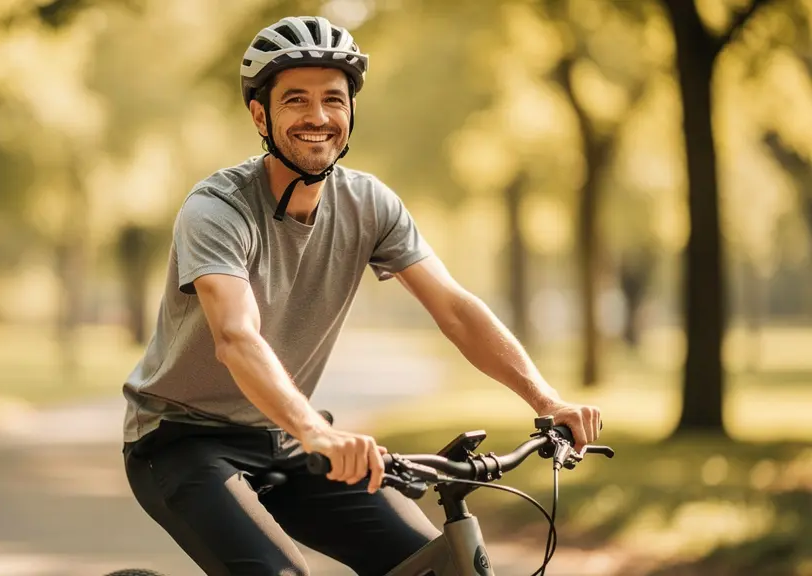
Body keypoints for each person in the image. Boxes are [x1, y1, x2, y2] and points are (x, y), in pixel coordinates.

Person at [121, 15, 603, 576]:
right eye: (296, 100)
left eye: (334, 99)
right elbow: (235, 337)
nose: (318, 117)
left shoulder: (369, 205)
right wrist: (318, 432)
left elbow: (453, 307)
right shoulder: (217, 211)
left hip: (285, 437)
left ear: (351, 111)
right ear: (260, 114)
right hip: (181, 440)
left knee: (431, 566)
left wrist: (546, 400)